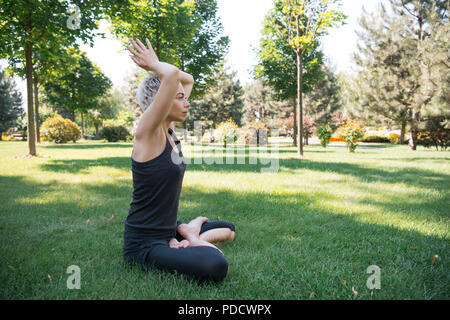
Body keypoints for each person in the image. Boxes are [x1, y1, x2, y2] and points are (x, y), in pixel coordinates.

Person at [123, 38, 235, 282]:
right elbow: (172, 75)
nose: (187, 102)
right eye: (179, 97)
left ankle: (187, 233)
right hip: (145, 243)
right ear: (160, 103)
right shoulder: (148, 133)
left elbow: (187, 79)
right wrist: (154, 64)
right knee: (216, 265)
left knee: (228, 230)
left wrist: (182, 232)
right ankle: (191, 237)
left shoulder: (169, 129)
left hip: (168, 229)